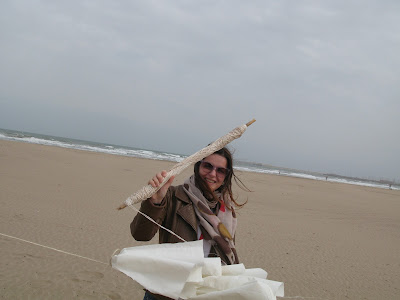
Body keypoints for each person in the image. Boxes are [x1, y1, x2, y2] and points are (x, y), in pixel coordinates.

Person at [130, 147, 249, 300]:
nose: (213, 174)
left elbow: (226, 254)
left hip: (205, 293)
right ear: (198, 165)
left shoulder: (226, 211)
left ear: (226, 176)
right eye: (208, 166)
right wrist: (155, 201)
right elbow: (141, 235)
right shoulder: (173, 195)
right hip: (167, 293)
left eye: (220, 170)